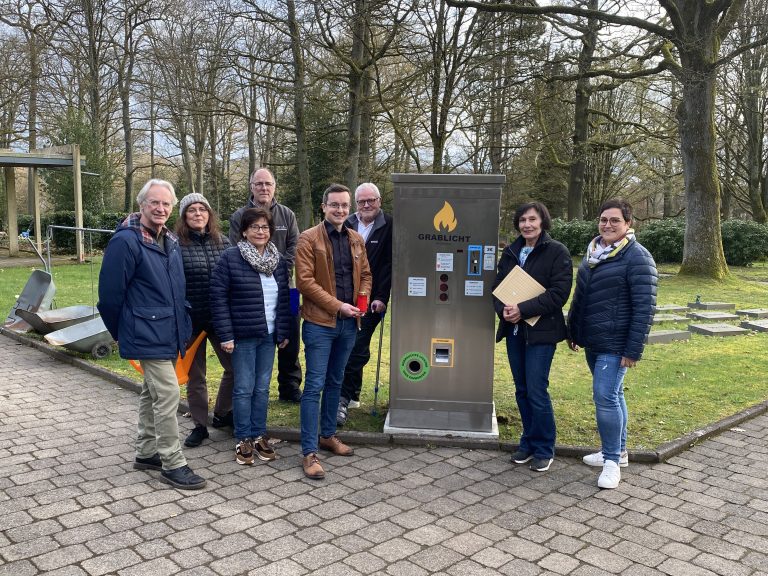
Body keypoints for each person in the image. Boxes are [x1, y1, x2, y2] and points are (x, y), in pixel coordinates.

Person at [98, 179, 205, 490]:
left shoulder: (169, 239)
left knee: (151, 391)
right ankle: (173, 462)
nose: (160, 209)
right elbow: (110, 296)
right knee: (169, 393)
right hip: (144, 331)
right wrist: (120, 332)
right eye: (154, 203)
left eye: (166, 204)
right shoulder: (126, 242)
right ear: (141, 204)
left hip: (168, 330)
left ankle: (146, 453)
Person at [567, 198, 657, 489]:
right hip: (594, 339)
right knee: (614, 395)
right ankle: (619, 452)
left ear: (628, 224)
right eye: (603, 219)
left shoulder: (637, 257)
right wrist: (573, 331)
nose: (607, 225)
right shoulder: (595, 252)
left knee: (604, 397)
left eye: (615, 220)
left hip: (616, 343)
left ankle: (611, 463)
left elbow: (644, 308)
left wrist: (632, 350)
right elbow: (581, 296)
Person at [295, 183, 372, 479]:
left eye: (344, 205)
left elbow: (365, 274)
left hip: (348, 323)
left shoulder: (355, 239)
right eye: (334, 205)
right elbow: (305, 282)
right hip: (319, 324)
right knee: (314, 386)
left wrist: (362, 298)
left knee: (336, 382)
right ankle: (309, 451)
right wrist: (338, 305)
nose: (339, 210)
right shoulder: (308, 239)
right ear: (323, 207)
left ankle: (328, 435)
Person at [492, 202, 573, 473]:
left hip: (541, 333)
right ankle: (527, 442)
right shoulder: (512, 251)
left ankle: (544, 447)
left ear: (542, 222)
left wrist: (523, 309)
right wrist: (504, 310)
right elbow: (497, 287)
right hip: (514, 331)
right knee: (522, 390)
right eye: (523, 220)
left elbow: (559, 293)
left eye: (532, 219)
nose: (527, 224)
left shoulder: (557, 251)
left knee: (537, 391)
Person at [210, 208, 291, 465]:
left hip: (268, 335)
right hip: (242, 336)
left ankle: (258, 434)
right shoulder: (230, 258)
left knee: (262, 388)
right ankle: (243, 437)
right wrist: (225, 334)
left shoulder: (277, 260)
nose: (260, 231)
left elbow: (285, 299)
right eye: (254, 227)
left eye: (265, 227)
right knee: (244, 388)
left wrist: (284, 330)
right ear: (244, 231)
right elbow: (218, 299)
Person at [229, 168, 302, 403]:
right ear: (251, 186)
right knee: (255, 336)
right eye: (258, 184)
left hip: (288, 287)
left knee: (291, 330)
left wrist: (277, 268)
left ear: (274, 187)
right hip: (250, 290)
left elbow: (295, 247)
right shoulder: (239, 216)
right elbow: (234, 248)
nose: (263, 188)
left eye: (267, 184)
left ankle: (289, 386)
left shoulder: (287, 215)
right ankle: (251, 388)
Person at [174, 193, 233, 447]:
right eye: (192, 210)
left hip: (220, 320)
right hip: (191, 321)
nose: (198, 214)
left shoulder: (224, 242)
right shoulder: (175, 244)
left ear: (210, 215)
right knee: (196, 376)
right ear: (184, 216)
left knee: (236, 368)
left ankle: (222, 413)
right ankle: (200, 424)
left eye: (202, 209)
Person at [337, 183, 392, 426]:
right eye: (361, 202)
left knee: (357, 346)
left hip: (371, 300)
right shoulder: (346, 223)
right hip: (343, 298)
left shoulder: (390, 225)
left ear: (379, 201)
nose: (366, 205)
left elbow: (389, 266)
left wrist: (381, 297)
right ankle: (352, 393)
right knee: (345, 343)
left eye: (371, 200)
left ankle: (342, 396)